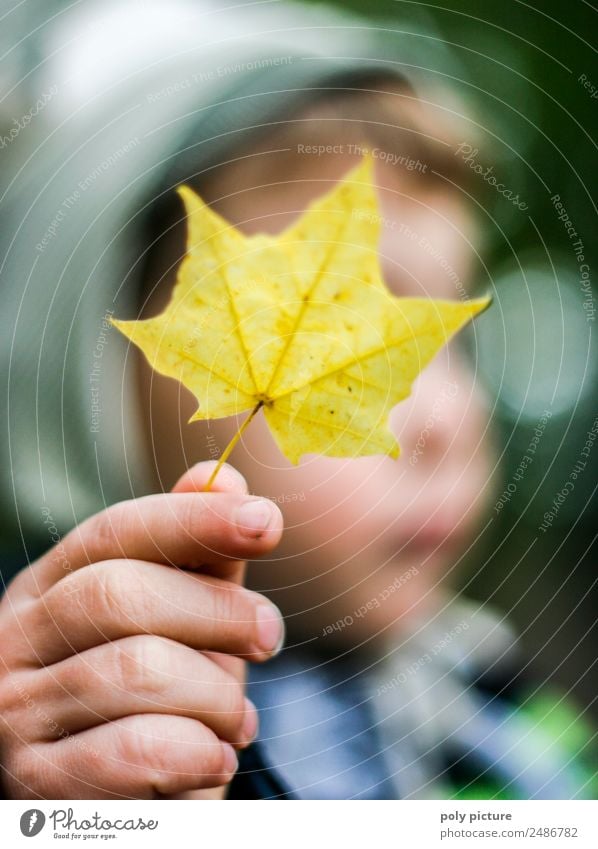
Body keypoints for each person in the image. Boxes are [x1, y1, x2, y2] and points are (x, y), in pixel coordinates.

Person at [0, 1, 594, 800]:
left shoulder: (508, 720)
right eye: (348, 343)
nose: (445, 420)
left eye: (448, 340)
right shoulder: (50, 715)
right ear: (104, 384)